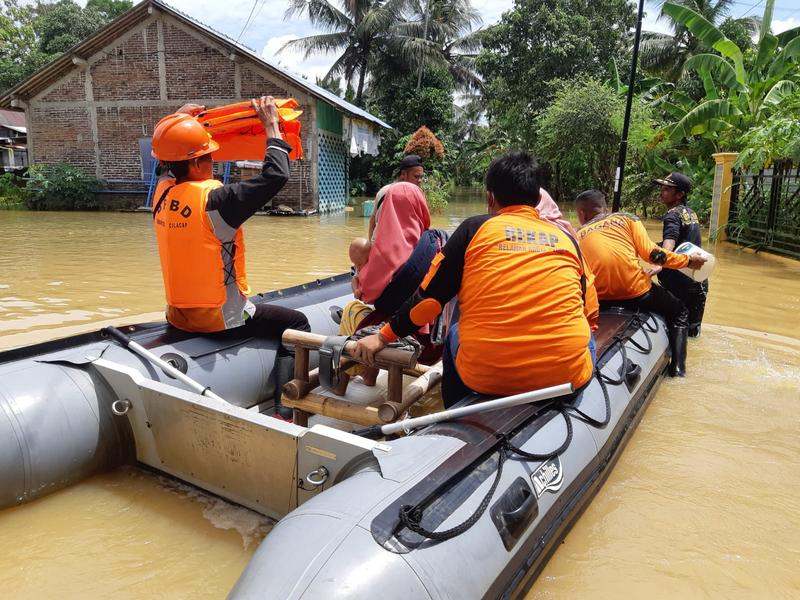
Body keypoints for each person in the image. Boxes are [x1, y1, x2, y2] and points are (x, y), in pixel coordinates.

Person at [354, 151, 599, 407]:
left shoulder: (473, 229)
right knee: (585, 336)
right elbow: (589, 306)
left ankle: (457, 411)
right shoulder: (567, 238)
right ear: (538, 198)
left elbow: (429, 302)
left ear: (490, 198)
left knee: (455, 333)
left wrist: (382, 337)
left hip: (485, 376)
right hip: (565, 377)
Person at [150, 96, 309, 420]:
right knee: (297, 323)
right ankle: (284, 410)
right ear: (195, 165)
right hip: (220, 323)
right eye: (209, 155)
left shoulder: (162, 193)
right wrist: (271, 126)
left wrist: (177, 119)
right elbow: (276, 176)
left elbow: (165, 158)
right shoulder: (217, 202)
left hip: (178, 318)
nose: (213, 159)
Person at [574, 189, 706, 377]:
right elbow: (653, 254)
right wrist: (687, 260)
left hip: (600, 299)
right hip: (636, 292)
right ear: (606, 208)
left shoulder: (576, 235)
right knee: (680, 312)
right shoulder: (627, 218)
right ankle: (678, 370)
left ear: (581, 214)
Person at [654, 172, 708, 337]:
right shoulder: (691, 213)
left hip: (678, 284)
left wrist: (657, 264)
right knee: (692, 334)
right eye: (662, 188)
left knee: (673, 332)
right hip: (698, 280)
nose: (661, 192)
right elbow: (685, 242)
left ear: (679, 194)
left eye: (667, 189)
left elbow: (670, 243)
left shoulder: (672, 216)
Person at [368, 154, 425, 240]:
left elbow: (372, 221)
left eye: (421, 177)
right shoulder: (415, 195)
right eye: (416, 177)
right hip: (398, 247)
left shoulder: (383, 191)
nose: (420, 181)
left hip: (378, 246)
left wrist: (371, 245)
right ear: (403, 174)